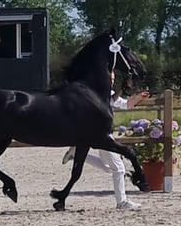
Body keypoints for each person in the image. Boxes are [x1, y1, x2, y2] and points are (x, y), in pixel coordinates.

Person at [62, 71, 150, 210]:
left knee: (108, 167)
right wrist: (122, 88)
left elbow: (126, 105)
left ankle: (74, 155)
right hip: (102, 135)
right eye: (110, 79)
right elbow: (111, 100)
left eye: (113, 79)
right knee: (119, 169)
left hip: (103, 134)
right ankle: (122, 202)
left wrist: (137, 97)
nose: (112, 82)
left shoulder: (106, 92)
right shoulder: (97, 92)